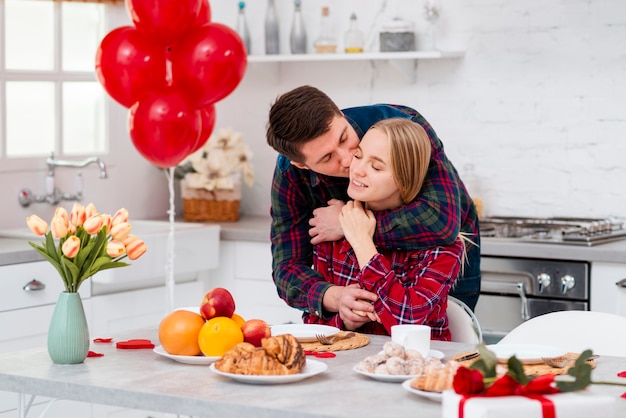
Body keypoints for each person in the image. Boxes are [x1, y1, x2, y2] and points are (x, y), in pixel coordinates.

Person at [266, 85, 480, 326]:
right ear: (302, 165)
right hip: (357, 282)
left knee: (450, 329)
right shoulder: (291, 174)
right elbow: (288, 268)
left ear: (340, 113)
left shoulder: (405, 126)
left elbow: (440, 221)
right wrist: (336, 298)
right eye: (327, 158)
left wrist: (348, 225)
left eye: (344, 138)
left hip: (440, 259)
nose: (349, 161)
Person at [305, 118, 469, 338]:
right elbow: (311, 325)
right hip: (348, 366)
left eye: (376, 166)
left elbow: (407, 323)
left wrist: (363, 244)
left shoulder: (442, 248)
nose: (357, 170)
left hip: (416, 368)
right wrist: (344, 319)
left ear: (404, 180)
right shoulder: (332, 229)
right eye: (358, 156)